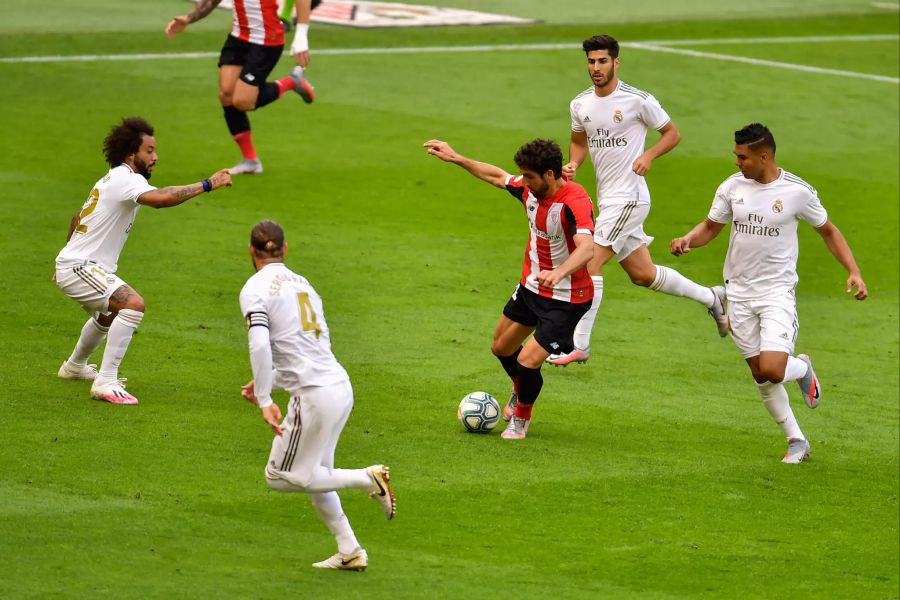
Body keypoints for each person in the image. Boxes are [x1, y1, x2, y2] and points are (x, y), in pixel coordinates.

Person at [670, 123, 868, 463]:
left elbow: (829, 231)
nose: (737, 162)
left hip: (776, 293)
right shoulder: (732, 187)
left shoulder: (797, 192)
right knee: (761, 375)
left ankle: (801, 369)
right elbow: (711, 227)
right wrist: (689, 239)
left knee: (774, 369)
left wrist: (854, 271)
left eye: (742, 157)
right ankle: (796, 440)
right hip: (739, 293)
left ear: (764, 156)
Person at [548, 34, 727, 366]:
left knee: (588, 262)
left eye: (603, 61)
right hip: (610, 199)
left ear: (616, 62)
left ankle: (579, 345)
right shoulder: (580, 104)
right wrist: (574, 163)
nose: (596, 68)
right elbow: (579, 141)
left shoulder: (637, 100)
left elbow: (672, 133)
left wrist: (650, 156)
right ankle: (711, 297)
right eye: (591, 61)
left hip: (630, 197)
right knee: (643, 274)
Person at [239, 220, 395, 570]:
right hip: (338, 386)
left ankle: (366, 477)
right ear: (285, 248)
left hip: (313, 396)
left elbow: (260, 342)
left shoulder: (254, 289)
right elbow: (308, 350)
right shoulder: (303, 284)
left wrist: (265, 398)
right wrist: (269, 381)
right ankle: (350, 550)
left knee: (280, 476)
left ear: (250, 250)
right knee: (316, 473)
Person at [424, 138, 595, 439]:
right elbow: (496, 176)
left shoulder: (575, 200)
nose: (524, 181)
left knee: (527, 362)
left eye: (530, 176)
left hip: (567, 298)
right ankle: (520, 389)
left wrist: (559, 272)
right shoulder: (530, 190)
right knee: (500, 347)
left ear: (551, 175)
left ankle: (521, 418)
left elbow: (587, 249)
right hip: (531, 288)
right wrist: (456, 157)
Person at [55, 117, 232, 405]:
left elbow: (77, 218)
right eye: (149, 151)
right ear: (130, 155)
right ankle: (106, 381)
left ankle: (74, 367)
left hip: (76, 265)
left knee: (109, 314)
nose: (155, 157)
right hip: (80, 267)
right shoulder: (126, 179)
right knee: (132, 304)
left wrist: (66, 257)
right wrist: (208, 184)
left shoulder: (109, 179)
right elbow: (162, 198)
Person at [166, 0, 316, 175]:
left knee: (243, 101)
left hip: (266, 41)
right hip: (239, 37)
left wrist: (301, 35)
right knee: (226, 95)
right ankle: (251, 160)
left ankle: (292, 82)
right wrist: (189, 18)